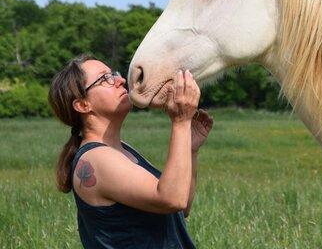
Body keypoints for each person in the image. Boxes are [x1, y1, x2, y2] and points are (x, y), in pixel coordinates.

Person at [48, 54, 213, 248]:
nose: (120, 80)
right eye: (105, 78)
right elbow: (172, 199)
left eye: (114, 74)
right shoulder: (96, 159)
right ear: (83, 105)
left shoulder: (121, 150)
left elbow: (181, 207)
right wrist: (181, 121)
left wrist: (190, 149)